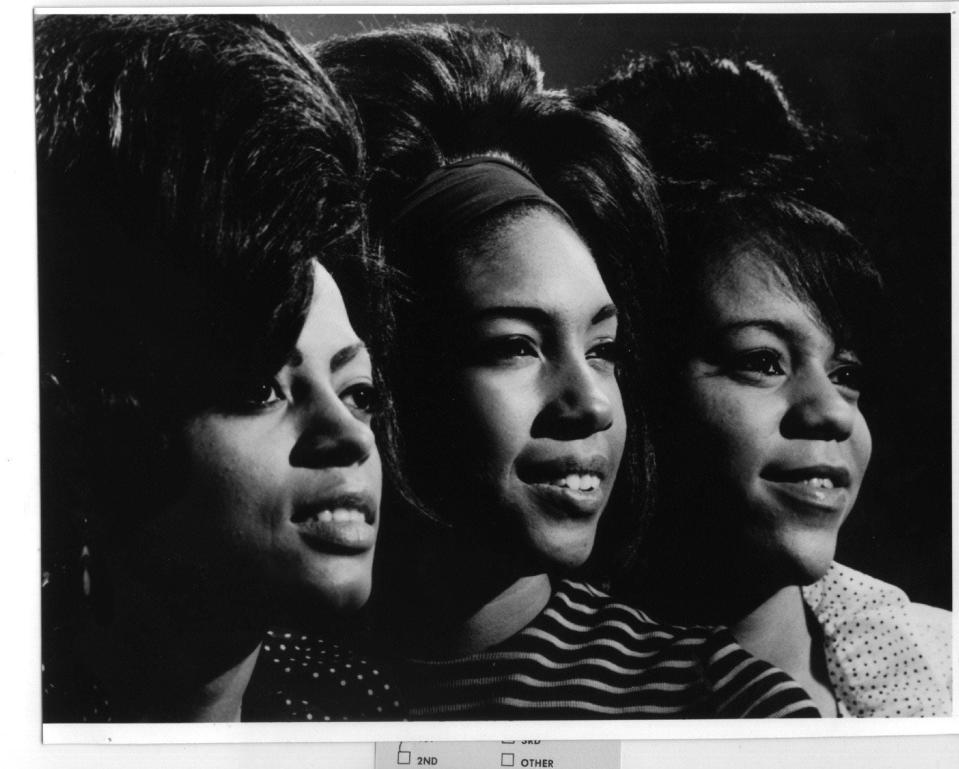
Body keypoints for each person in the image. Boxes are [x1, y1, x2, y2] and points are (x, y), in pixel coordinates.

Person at [312, 24, 822, 718]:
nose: (590, 403)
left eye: (602, 349)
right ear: (388, 372)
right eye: (516, 346)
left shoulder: (727, 708)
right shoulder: (246, 681)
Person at [37, 14, 392, 722]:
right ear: (100, 427)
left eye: (358, 392)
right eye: (259, 387)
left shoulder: (355, 705)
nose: (348, 436)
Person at [582, 48, 952, 717]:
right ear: (632, 383)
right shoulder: (528, 697)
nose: (830, 412)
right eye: (762, 361)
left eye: (845, 373)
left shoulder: (944, 668)